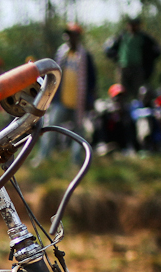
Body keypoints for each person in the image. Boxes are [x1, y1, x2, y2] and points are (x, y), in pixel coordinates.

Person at [34, 23, 97, 163]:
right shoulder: (61, 54)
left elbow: (92, 81)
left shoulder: (86, 57)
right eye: (68, 35)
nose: (69, 38)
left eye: (73, 35)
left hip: (79, 104)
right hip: (60, 102)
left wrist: (90, 100)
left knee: (78, 133)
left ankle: (76, 162)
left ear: (78, 37)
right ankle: (43, 158)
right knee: (49, 129)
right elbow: (52, 75)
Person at [105, 17, 161, 101]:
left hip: (138, 68)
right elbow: (110, 49)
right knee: (122, 91)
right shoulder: (122, 36)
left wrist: (148, 61)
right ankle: (123, 110)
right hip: (123, 68)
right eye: (130, 24)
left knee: (139, 91)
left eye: (134, 25)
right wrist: (117, 58)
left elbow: (155, 50)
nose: (132, 27)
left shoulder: (144, 37)